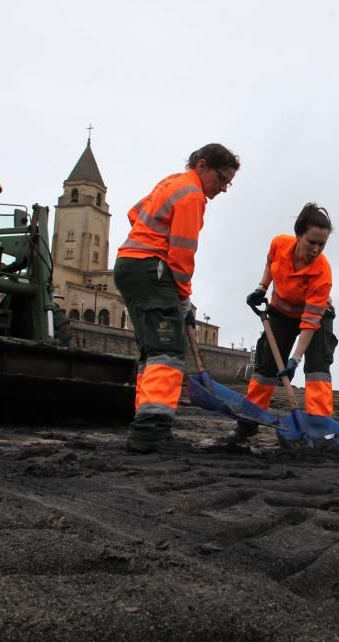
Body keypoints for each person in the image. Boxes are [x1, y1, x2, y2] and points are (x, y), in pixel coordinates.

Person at [113, 143, 240, 453]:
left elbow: (135, 213)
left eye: (228, 184)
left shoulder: (171, 182)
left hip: (129, 264)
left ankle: (147, 423)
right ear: (202, 165)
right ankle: (151, 433)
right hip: (150, 268)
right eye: (221, 179)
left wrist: (148, 238)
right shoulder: (193, 194)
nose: (223, 189)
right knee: (168, 351)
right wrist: (183, 298)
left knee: (152, 352)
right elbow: (183, 253)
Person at [227, 203, 338, 444]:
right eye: (312, 242)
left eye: (322, 244)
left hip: (316, 316)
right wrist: (261, 287)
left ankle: (320, 428)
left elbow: (310, 323)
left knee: (318, 368)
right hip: (281, 312)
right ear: (299, 235)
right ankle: (248, 421)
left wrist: (294, 360)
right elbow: (270, 264)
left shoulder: (322, 273)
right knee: (266, 366)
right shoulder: (279, 244)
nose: (317, 249)